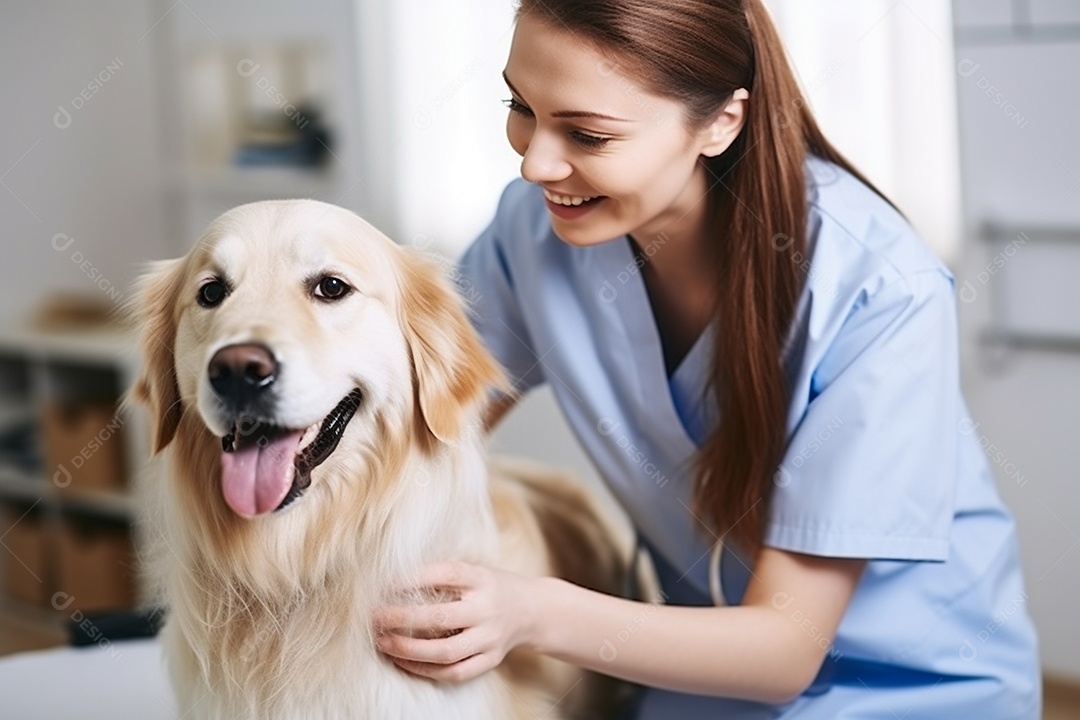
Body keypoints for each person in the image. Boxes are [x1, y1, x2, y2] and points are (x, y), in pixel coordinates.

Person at [373, 1, 1042, 717]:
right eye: (520, 106)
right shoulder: (527, 237)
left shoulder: (878, 289)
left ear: (722, 122)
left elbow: (784, 649)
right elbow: (419, 428)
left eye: (588, 133)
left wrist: (530, 612)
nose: (535, 163)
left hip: (913, 687)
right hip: (704, 676)